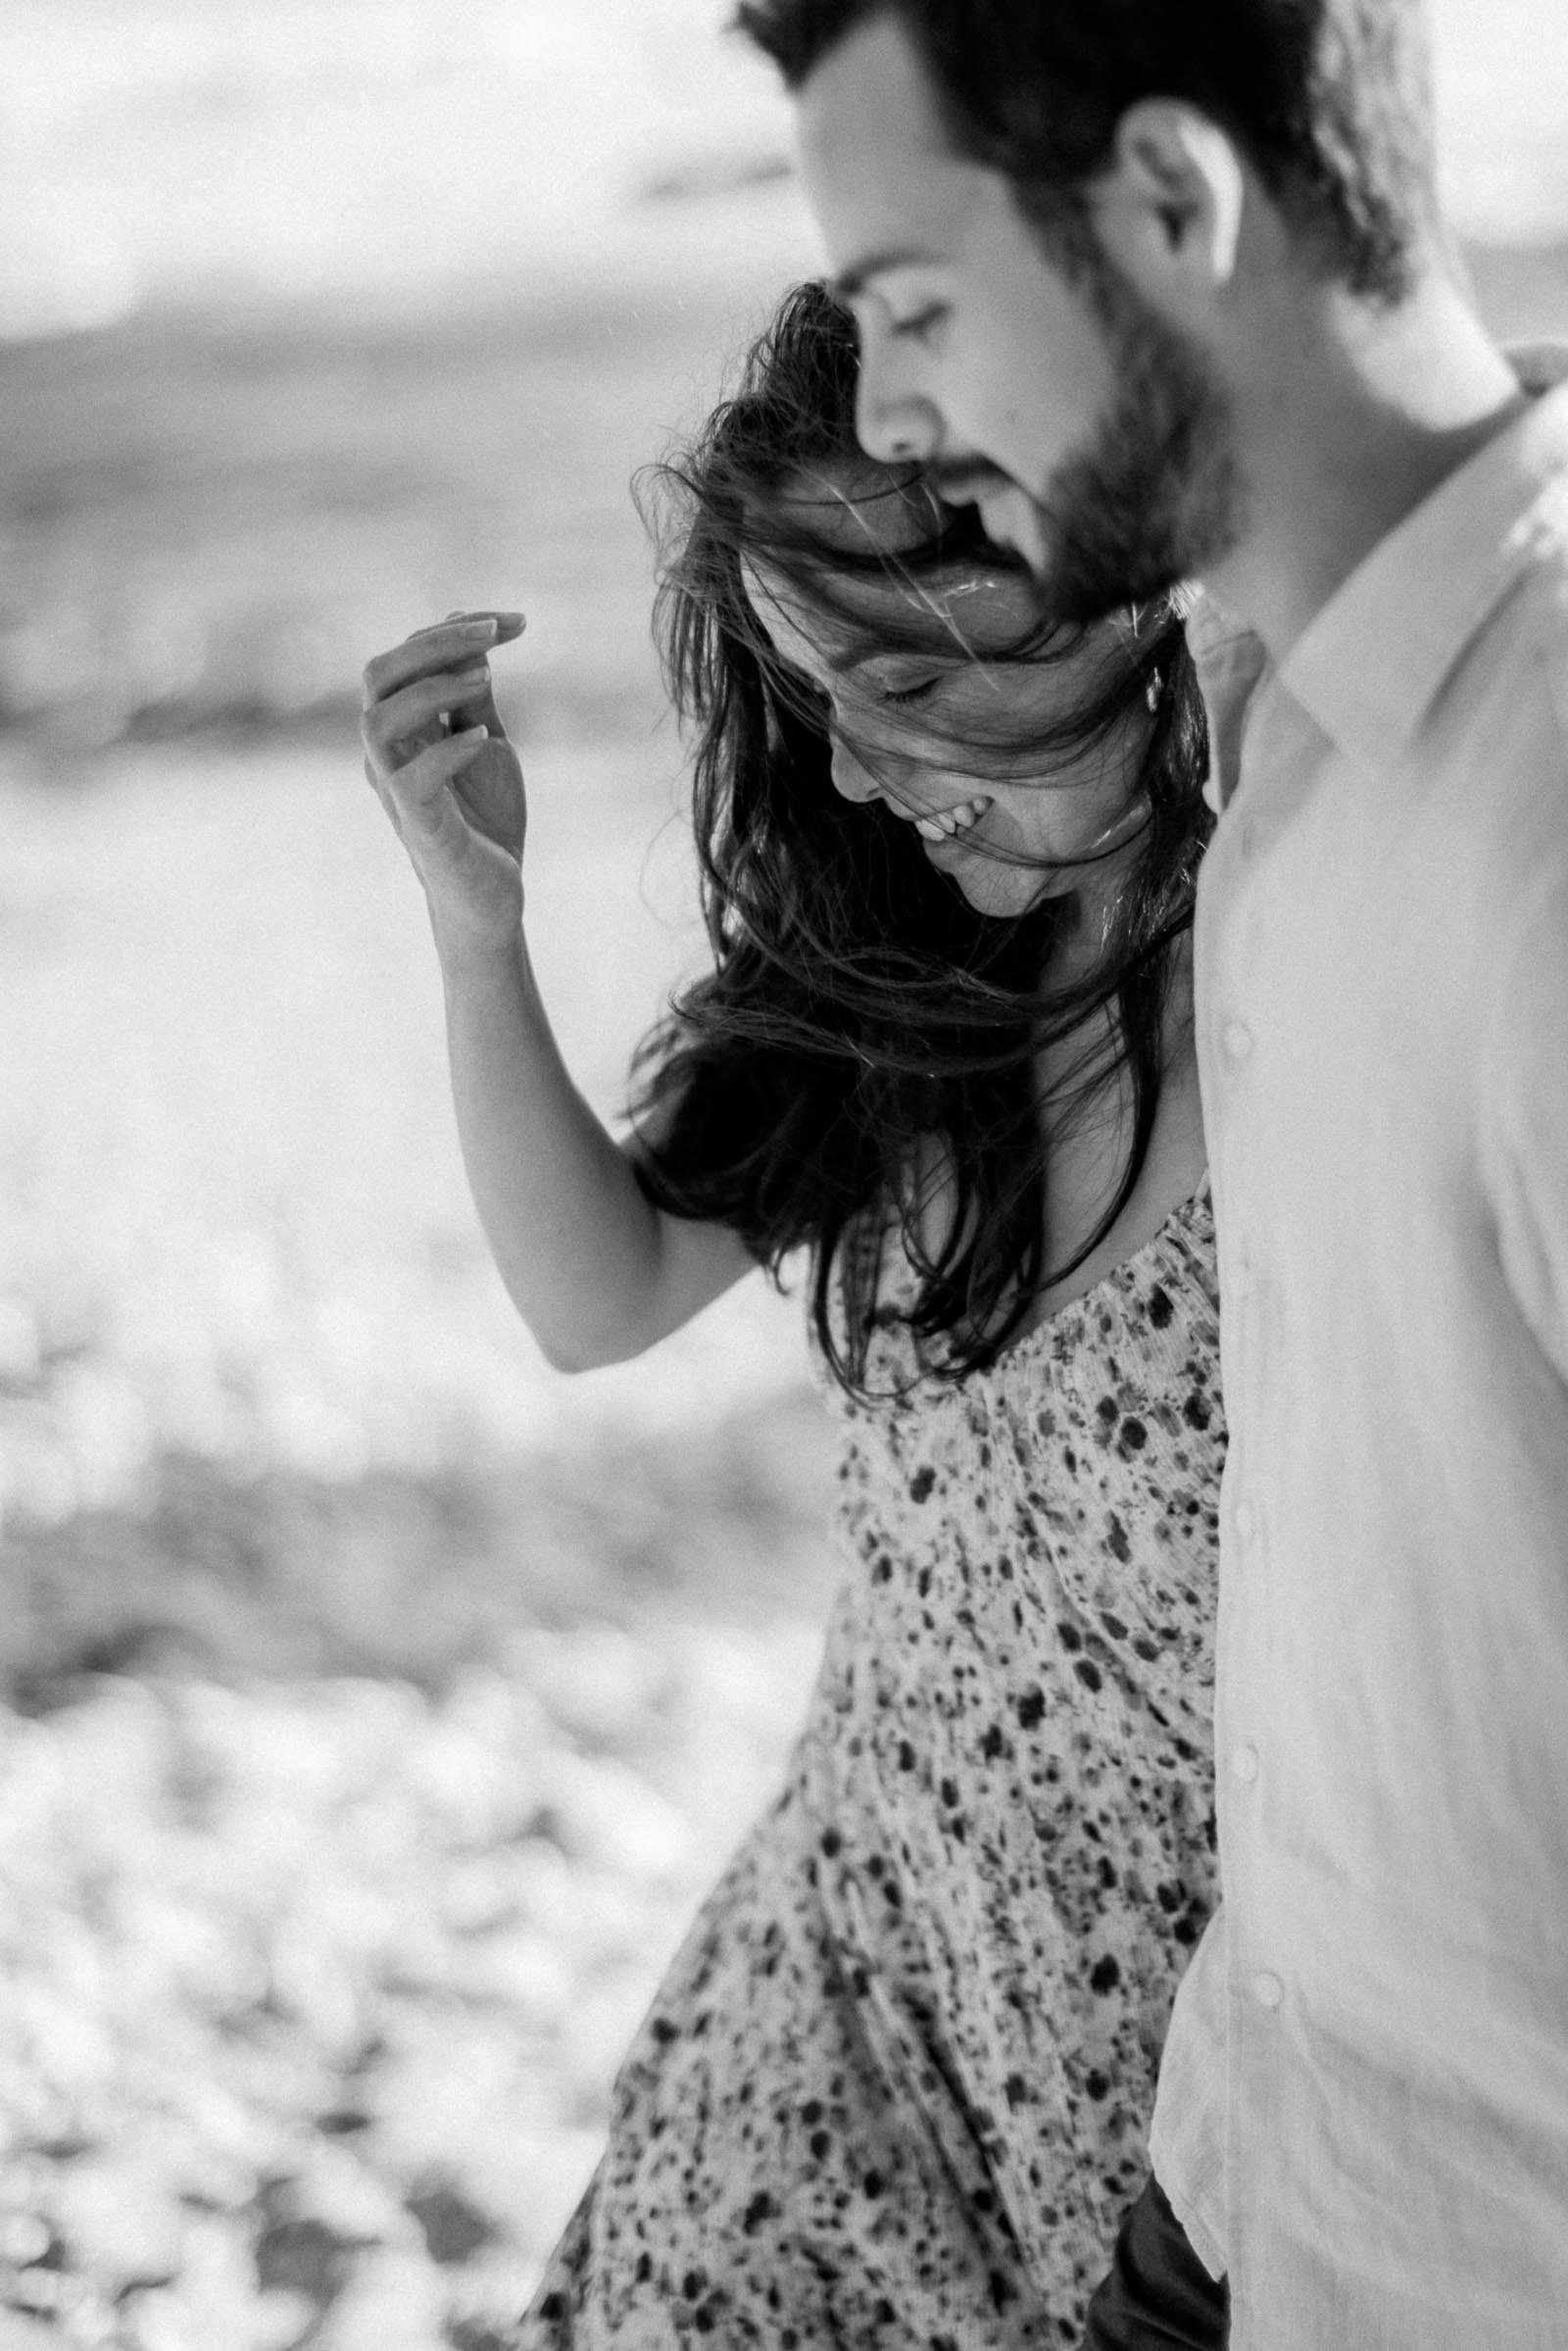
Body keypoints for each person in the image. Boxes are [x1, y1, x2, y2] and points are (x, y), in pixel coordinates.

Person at [735, 1, 1568, 2344]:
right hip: (1250, 2197)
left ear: (1172, 205)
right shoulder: (1292, 744)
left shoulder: (1541, 822)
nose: (892, 415)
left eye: (911, 306)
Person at [359, 282, 1225, 2341]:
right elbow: (600, 1299)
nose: (850, 769)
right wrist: (476, 931)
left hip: (1184, 2121)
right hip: (834, 2007)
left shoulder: (1330, 990)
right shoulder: (917, 978)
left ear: (1119, 594)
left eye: (905, 671)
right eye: (809, 682)